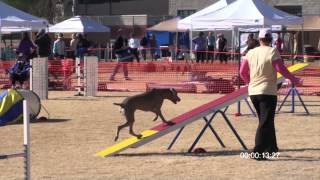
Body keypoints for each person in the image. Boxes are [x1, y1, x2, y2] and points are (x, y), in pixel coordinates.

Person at [240, 28, 301, 160]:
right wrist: (295, 80)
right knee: (265, 122)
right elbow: (281, 70)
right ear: (271, 39)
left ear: (259, 39)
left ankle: (271, 148)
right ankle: (258, 151)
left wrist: (250, 83)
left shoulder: (250, 52)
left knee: (266, 120)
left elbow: (242, 72)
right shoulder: (273, 51)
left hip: (254, 92)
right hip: (267, 91)